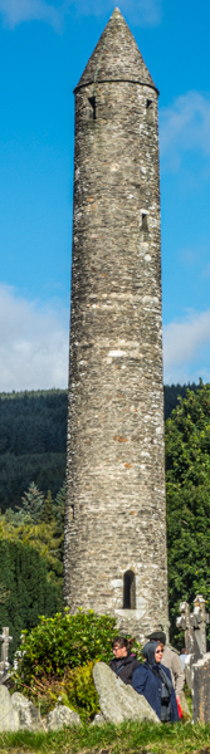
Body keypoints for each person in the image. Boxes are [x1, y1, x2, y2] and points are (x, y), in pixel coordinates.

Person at [132, 641, 179, 722]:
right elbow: (137, 695)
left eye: (161, 651)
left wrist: (176, 718)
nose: (161, 654)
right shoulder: (141, 671)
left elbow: (172, 694)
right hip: (153, 716)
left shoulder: (165, 670)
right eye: (157, 652)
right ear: (150, 653)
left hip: (168, 715)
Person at [147, 630, 184, 703]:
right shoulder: (149, 655)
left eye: (152, 641)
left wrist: (177, 693)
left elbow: (180, 675)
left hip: (169, 695)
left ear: (159, 642)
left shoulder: (172, 656)